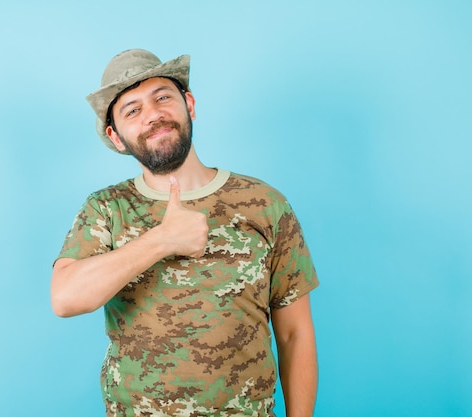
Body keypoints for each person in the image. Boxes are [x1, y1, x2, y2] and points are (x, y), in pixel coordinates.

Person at [51, 49, 319, 417]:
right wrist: (163, 239)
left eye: (163, 97)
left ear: (189, 104)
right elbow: (65, 297)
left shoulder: (264, 203)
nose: (154, 114)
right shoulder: (106, 209)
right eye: (133, 110)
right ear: (116, 137)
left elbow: (295, 334)